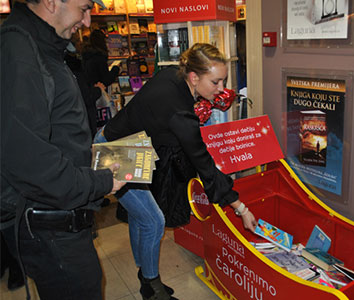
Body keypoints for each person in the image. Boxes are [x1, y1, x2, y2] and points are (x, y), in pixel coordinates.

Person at [98, 43, 257, 300]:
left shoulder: (174, 74)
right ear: (194, 77)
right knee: (153, 220)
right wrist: (241, 208)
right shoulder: (179, 110)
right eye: (216, 82)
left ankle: (144, 273)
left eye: (223, 81)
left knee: (141, 216)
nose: (221, 89)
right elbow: (202, 162)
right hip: (114, 153)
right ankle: (151, 285)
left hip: (129, 147)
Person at [0, 0, 126, 299]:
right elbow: (29, 161)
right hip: (47, 222)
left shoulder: (41, 47)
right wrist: (102, 181)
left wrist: (89, 157)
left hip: (56, 215)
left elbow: (50, 130)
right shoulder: (19, 51)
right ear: (51, 2)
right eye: (83, 7)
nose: (86, 21)